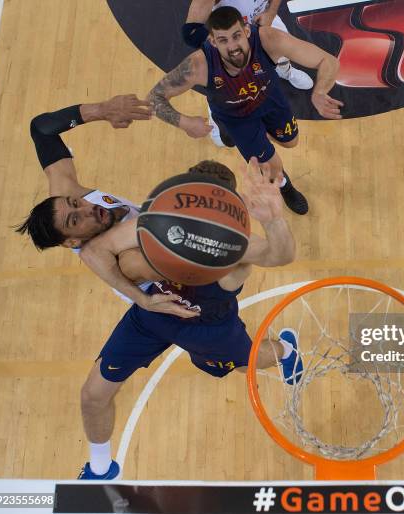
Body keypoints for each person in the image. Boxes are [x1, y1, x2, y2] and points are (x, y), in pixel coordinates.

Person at [76, 158, 303, 479]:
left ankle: (286, 351)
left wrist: (275, 219)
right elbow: (92, 251)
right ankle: (100, 470)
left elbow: (280, 256)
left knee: (245, 365)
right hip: (153, 316)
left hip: (209, 329)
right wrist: (142, 299)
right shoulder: (160, 219)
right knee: (93, 396)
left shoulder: (234, 245)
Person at [148, 6, 343, 216]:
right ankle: (286, 186)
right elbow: (154, 97)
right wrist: (184, 122)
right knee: (271, 167)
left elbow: (328, 60)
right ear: (213, 42)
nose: (233, 47)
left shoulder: (268, 39)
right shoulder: (199, 65)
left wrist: (319, 92)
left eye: (236, 36)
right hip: (237, 118)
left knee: (291, 141)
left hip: (269, 100)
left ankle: (253, 135)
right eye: (223, 40)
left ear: (247, 32)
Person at [16, 95, 152, 252]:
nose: (86, 209)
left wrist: (102, 110)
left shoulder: (64, 204)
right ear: (72, 242)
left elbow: (40, 130)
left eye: (75, 203)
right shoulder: (123, 257)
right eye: (74, 220)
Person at [183, 0, 314, 90]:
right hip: (233, 34)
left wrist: (271, 13)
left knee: (282, 51)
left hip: (264, 18)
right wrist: (225, 39)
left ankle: (285, 72)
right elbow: (191, 33)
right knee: (238, 80)